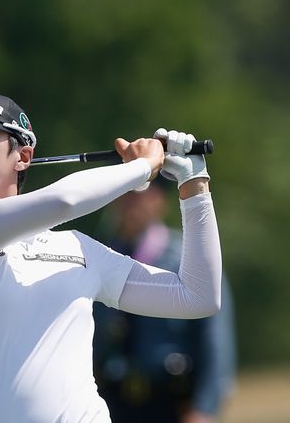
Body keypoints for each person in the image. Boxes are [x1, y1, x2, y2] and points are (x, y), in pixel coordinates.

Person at [0, 90, 222, 423]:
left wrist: (193, 182)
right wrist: (142, 168)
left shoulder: (78, 248)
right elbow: (65, 201)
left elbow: (197, 296)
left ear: (23, 156)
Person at [92, 180, 236, 423]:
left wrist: (205, 408)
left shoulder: (187, 261)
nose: (130, 203)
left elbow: (215, 340)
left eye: (139, 195)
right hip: (110, 400)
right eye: (124, 194)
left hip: (171, 401)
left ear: (160, 201)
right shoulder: (98, 257)